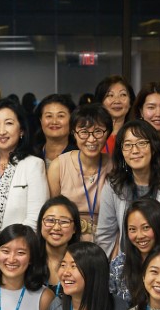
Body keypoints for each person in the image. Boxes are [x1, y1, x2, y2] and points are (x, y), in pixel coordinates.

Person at [94, 120, 160, 257]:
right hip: (127, 266)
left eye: (141, 143)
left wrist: (156, 266)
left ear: (153, 147)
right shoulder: (113, 186)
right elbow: (105, 235)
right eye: (127, 145)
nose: (135, 150)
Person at [0, 98, 48, 253]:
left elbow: (35, 219)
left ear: (22, 130)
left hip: (15, 254)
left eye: (9, 123)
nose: (2, 131)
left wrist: (3, 248)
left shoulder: (33, 165)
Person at [47, 103, 113, 241]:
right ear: (74, 133)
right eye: (83, 132)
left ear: (107, 133)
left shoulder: (115, 166)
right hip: (68, 242)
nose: (91, 139)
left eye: (98, 131)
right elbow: (52, 214)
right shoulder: (59, 166)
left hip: (107, 240)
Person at [38, 197, 81, 294]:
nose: (56, 227)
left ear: (74, 228)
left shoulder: (84, 263)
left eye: (64, 222)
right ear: (41, 224)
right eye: (50, 220)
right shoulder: (29, 259)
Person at [94, 75, 135, 154]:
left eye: (123, 95)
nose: (117, 101)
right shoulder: (92, 136)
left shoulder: (138, 135)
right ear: (100, 102)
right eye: (110, 95)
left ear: (130, 102)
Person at [32, 94, 76, 163]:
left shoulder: (79, 156)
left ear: (72, 120)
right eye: (49, 116)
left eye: (61, 116)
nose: (54, 121)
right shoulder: (32, 155)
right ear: (40, 120)